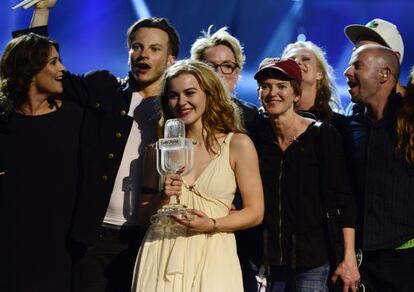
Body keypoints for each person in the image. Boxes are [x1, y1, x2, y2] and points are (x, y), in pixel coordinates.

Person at [14, 1, 180, 291]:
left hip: (145, 238)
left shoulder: (178, 110)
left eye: (155, 49)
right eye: (137, 47)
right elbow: (35, 69)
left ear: (170, 60)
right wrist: (42, 12)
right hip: (93, 236)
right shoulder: (103, 88)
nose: (143, 55)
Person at [131, 59, 264, 292]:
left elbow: (255, 212)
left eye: (190, 93)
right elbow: (142, 217)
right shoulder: (157, 151)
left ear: (209, 94)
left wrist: (211, 224)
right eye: (173, 95)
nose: (181, 102)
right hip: (161, 252)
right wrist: (162, 198)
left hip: (213, 253)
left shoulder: (238, 144)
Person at [252, 57, 360, 291]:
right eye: (266, 86)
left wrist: (349, 257)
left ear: (296, 94)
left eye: (281, 86)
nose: (272, 93)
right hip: (268, 263)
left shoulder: (321, 136)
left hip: (312, 261)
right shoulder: (255, 137)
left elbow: (343, 198)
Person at [0, 33, 84, 292]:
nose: (63, 69)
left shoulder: (75, 116)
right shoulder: (3, 121)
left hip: (59, 245)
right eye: (53, 63)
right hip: (10, 242)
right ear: (31, 68)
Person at [341, 44, 414, 291]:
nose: (347, 72)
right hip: (363, 264)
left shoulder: (409, 123)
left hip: (407, 261)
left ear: (384, 74)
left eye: (357, 65)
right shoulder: (349, 127)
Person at [190, 26, 259, 133]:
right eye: (210, 67)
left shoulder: (251, 115)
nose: (219, 74)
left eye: (227, 66)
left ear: (237, 73)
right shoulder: (188, 110)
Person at [344, 18, 406, 115]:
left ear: (394, 58)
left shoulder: (409, 111)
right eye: (356, 49)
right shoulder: (353, 111)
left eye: (368, 49)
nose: (358, 54)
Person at [281, 40, 343, 121]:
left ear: (319, 73)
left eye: (305, 59)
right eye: (291, 60)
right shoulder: (269, 120)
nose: (297, 62)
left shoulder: (339, 123)